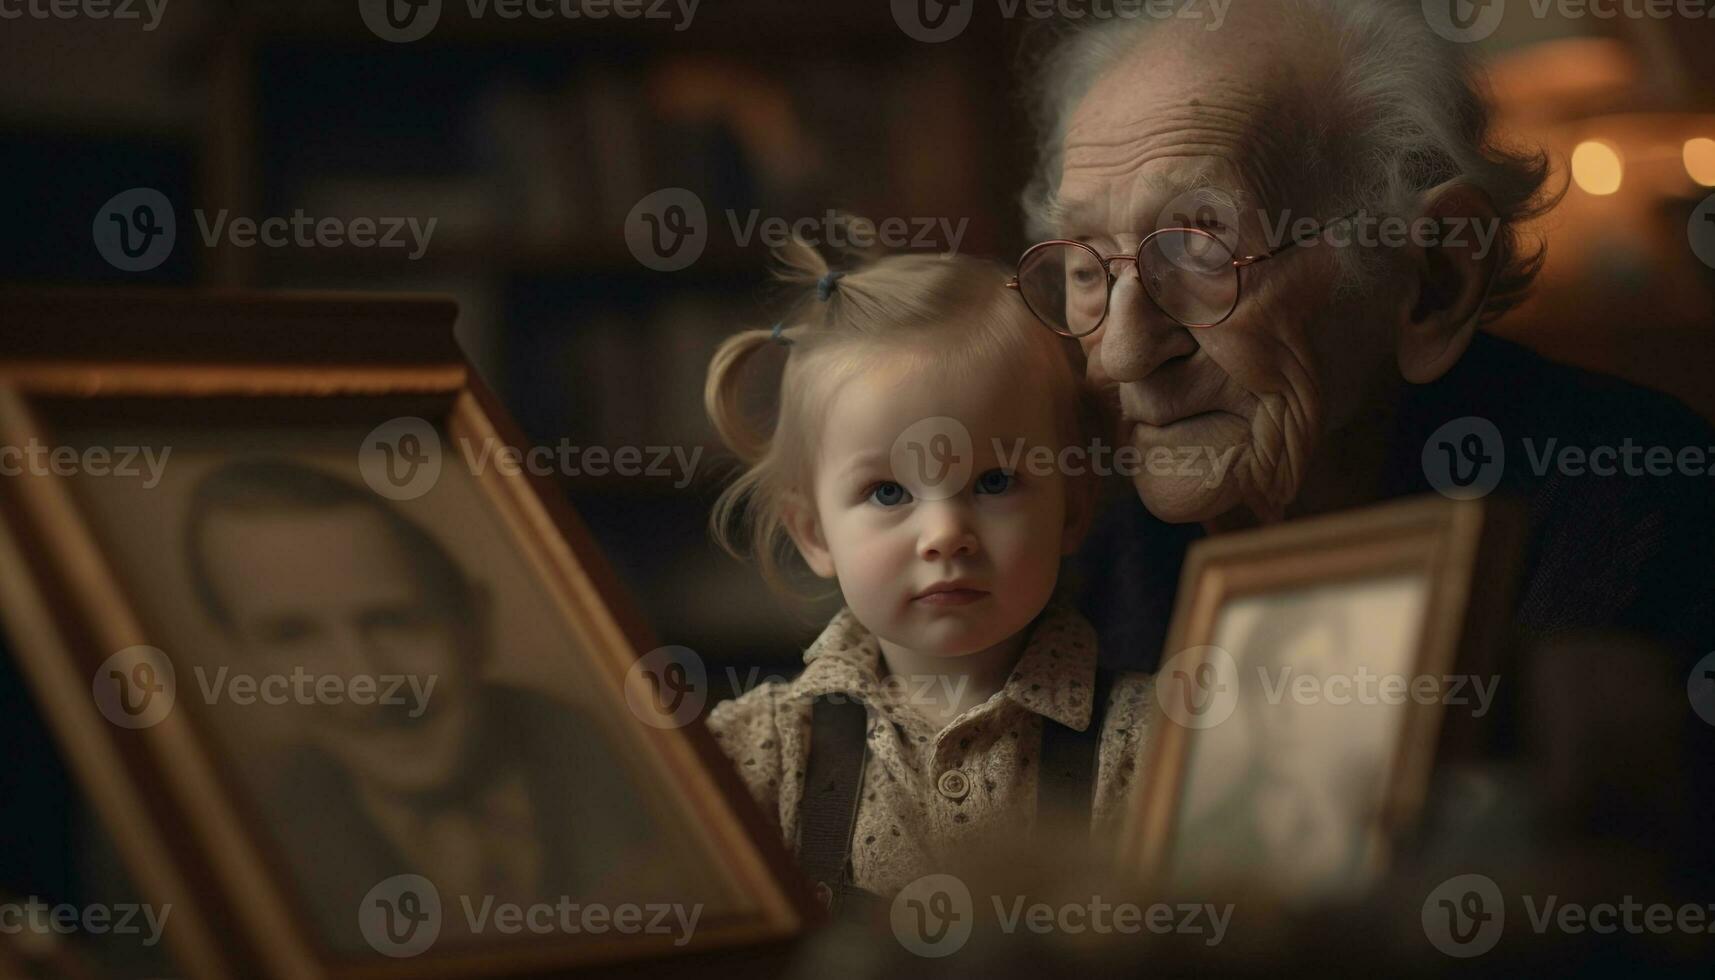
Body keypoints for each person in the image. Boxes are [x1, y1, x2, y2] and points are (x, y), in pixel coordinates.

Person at [1014, 1, 1715, 670]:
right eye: (1084, 266)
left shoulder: (1638, 518)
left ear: (1433, 281)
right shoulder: (1065, 566)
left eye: (1201, 246)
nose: (1122, 354)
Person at [700, 239, 1157, 905]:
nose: (946, 536)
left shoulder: (1150, 746)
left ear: (1072, 507)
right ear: (814, 533)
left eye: (995, 481)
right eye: (888, 493)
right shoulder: (758, 758)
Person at [184, 459, 659, 951]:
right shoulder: (229, 845)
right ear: (241, 659)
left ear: (476, 622)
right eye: (292, 636)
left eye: (396, 620)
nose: (366, 682)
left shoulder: (643, 768)